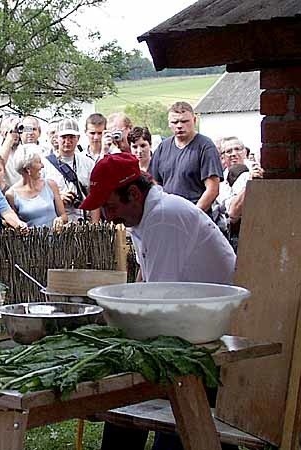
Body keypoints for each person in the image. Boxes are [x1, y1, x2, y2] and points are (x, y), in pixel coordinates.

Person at [79, 153, 236, 450]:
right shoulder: (146, 217)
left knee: (155, 413)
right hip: (188, 327)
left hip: (206, 336)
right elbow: (146, 283)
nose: (109, 216)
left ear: (134, 194)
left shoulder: (165, 217)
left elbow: (159, 299)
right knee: (123, 413)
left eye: (111, 206)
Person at [149, 102, 223, 215]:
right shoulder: (163, 147)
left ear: (194, 120)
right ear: (169, 124)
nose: (179, 125)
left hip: (195, 217)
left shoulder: (205, 146)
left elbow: (212, 189)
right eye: (175, 122)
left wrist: (193, 215)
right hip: (168, 215)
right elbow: (154, 184)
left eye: (184, 121)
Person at [42, 118, 95, 222]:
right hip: (57, 222)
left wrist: (95, 225)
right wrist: (58, 198)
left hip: (83, 219)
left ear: (78, 138)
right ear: (56, 138)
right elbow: (39, 197)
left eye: (71, 137)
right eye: (64, 137)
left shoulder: (88, 163)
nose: (67, 141)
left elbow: (94, 197)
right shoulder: (44, 164)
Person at [6, 144, 67, 229]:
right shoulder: (11, 194)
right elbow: (13, 224)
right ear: (28, 169)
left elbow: (64, 216)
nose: (42, 166)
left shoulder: (51, 185)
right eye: (39, 162)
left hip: (56, 239)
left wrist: (60, 220)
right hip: (31, 241)